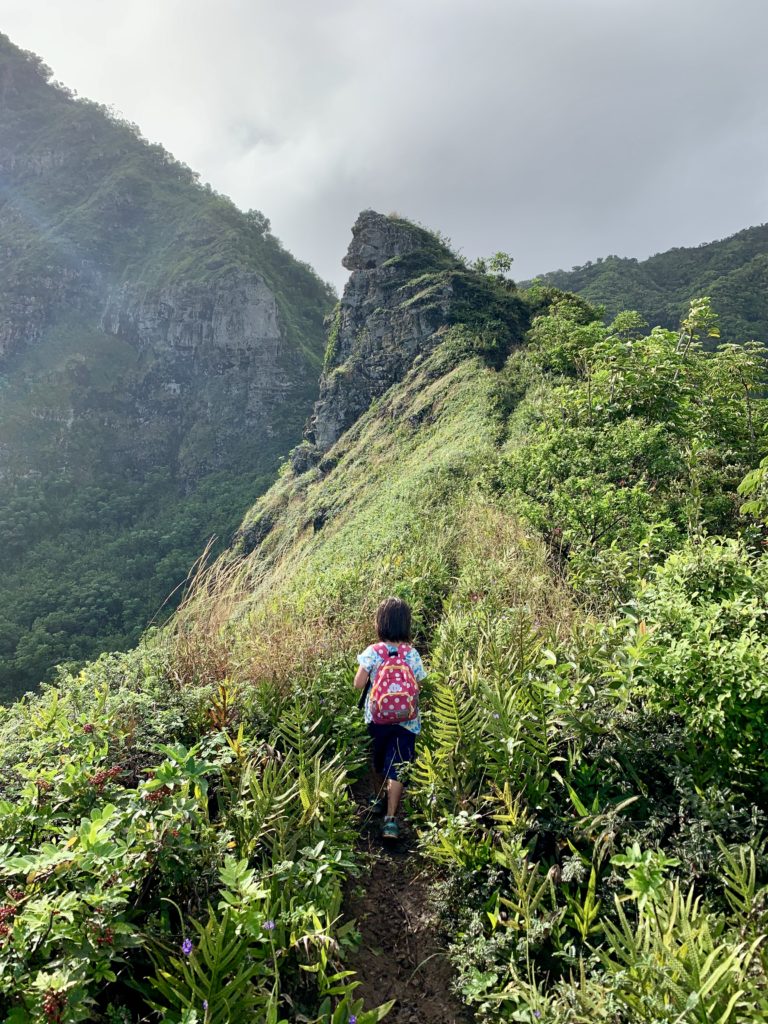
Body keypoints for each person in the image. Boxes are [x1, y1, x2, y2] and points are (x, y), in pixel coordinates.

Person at [354, 596, 426, 840]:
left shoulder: (373, 652)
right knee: (399, 765)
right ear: (406, 624)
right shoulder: (412, 653)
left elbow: (358, 684)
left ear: (380, 623)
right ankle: (391, 819)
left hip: (377, 719)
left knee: (378, 759)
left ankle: (377, 798)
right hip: (407, 722)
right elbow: (419, 685)